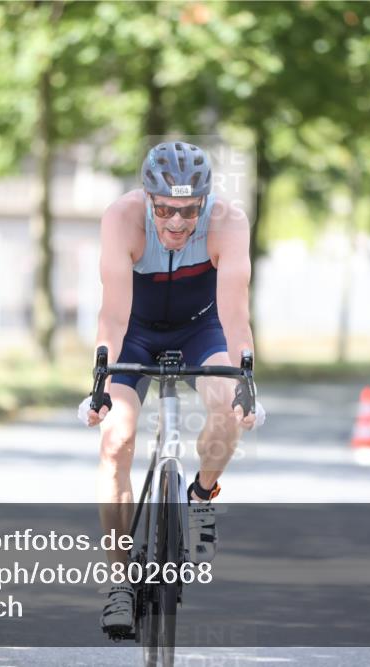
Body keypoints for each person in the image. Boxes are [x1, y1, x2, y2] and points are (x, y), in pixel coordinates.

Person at [77, 141, 265, 632]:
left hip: (201, 327)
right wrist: (100, 380)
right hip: (135, 331)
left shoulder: (229, 221)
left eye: (188, 210)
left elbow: (234, 313)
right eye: (164, 209)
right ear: (147, 197)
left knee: (226, 408)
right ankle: (119, 581)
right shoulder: (121, 219)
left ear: (204, 201)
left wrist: (245, 375)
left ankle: (201, 497)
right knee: (116, 438)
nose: (177, 222)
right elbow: (114, 313)